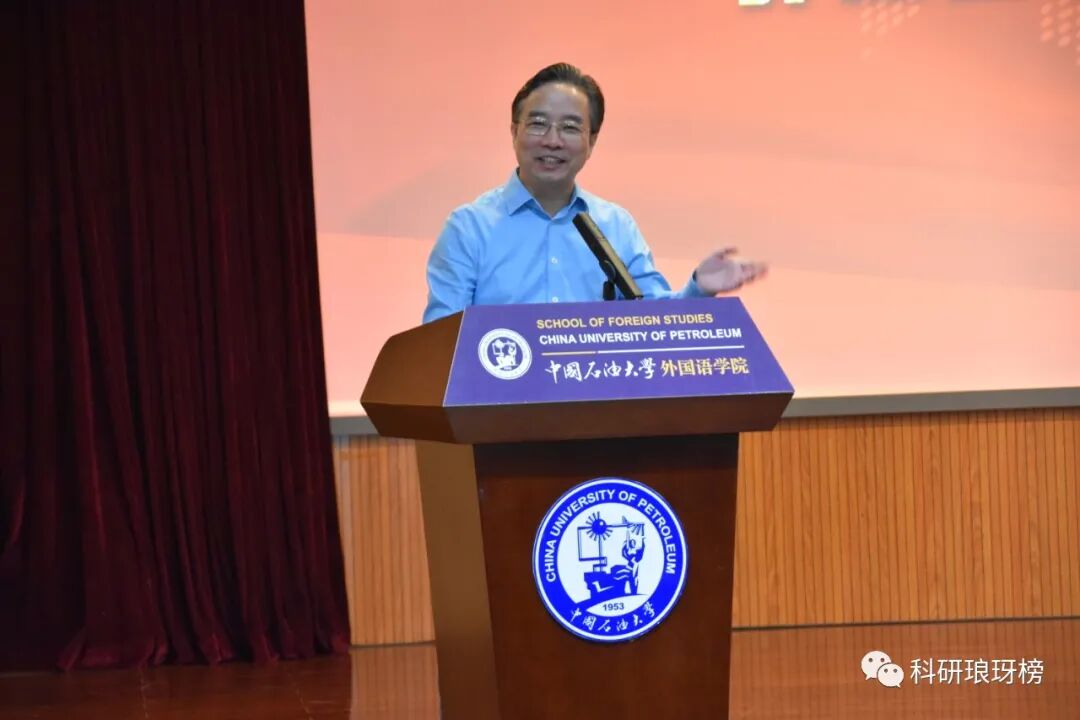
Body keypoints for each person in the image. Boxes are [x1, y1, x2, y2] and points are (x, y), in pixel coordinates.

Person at [423, 63, 766, 323]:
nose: (553, 140)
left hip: (593, 397)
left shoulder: (615, 225)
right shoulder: (469, 228)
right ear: (514, 131)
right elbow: (440, 344)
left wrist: (699, 290)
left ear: (592, 142)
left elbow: (652, 322)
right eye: (538, 124)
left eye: (570, 128)